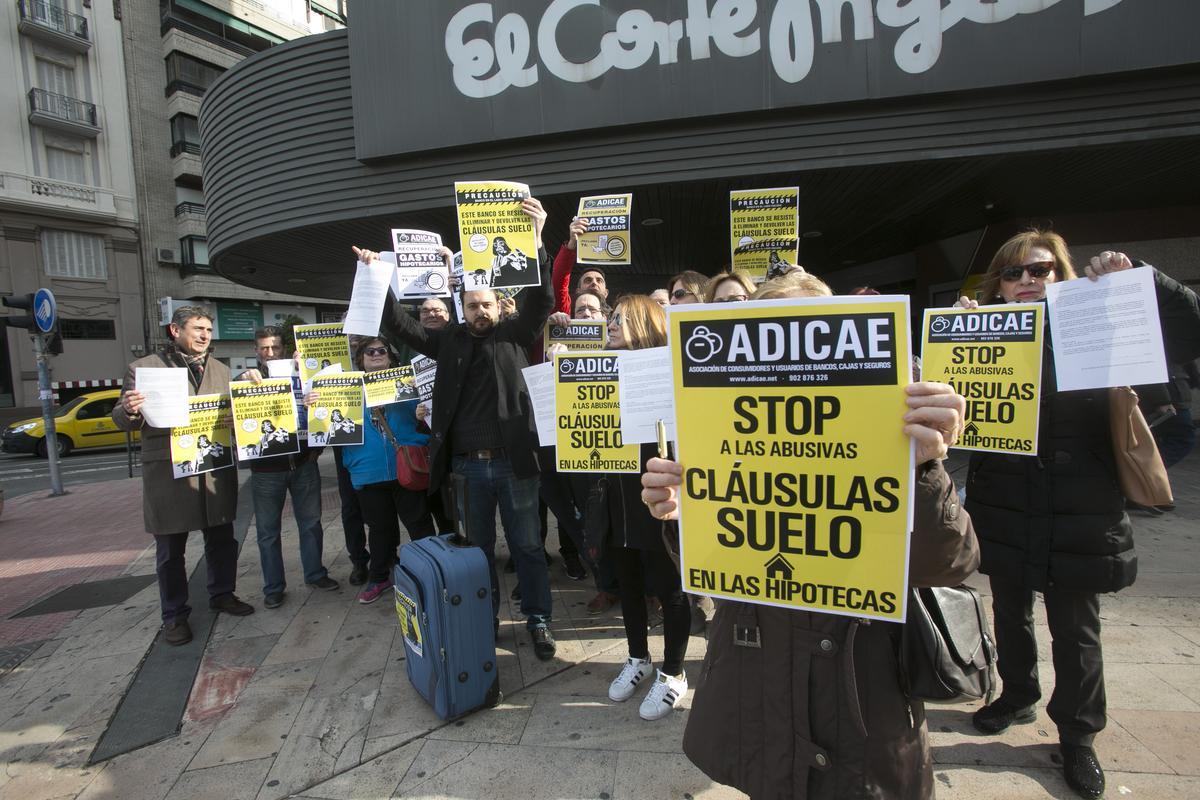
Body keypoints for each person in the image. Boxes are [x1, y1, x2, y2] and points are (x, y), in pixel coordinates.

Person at [639, 275, 979, 797]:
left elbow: (948, 564)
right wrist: (683, 516)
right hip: (760, 687)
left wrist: (928, 470)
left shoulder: (892, 430)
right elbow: (709, 570)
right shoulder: (717, 432)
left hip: (862, 697)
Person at [957, 231, 1200, 799]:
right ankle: (1017, 695)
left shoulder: (1102, 320)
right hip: (1005, 497)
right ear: (999, 284)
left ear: (1060, 275)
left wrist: (1138, 277)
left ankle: (1077, 736)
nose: (1026, 283)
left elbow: (1190, 329)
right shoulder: (978, 332)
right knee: (1009, 609)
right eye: (1013, 274)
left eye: (1039, 271)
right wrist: (960, 333)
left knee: (1076, 626)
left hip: (1080, 500)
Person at [353, 196, 560, 659]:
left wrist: (538, 239)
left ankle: (539, 619)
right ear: (460, 306)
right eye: (471, 305)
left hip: (515, 464)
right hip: (467, 470)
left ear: (498, 306)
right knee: (478, 552)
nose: (479, 311)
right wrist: (376, 275)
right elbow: (399, 324)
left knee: (528, 547)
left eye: (486, 304)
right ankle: (482, 619)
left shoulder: (515, 334)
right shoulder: (446, 341)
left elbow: (542, 299)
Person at [579, 295, 693, 721]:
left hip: (659, 497)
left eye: (620, 319)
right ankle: (637, 657)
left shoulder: (669, 374)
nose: (610, 325)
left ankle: (675, 673)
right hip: (616, 497)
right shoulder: (597, 371)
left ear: (646, 324)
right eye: (610, 318)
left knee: (669, 587)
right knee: (626, 582)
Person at [113, 306, 254, 646]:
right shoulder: (144, 368)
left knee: (222, 538)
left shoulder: (221, 370)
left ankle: (222, 593)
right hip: (169, 473)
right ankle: (174, 616)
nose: (205, 335)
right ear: (175, 330)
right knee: (170, 550)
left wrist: (248, 394)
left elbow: (234, 414)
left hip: (213, 469)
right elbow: (121, 417)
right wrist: (130, 410)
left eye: (208, 329)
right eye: (198, 328)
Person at [239, 326, 337, 610]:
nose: (270, 353)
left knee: (311, 523)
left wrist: (316, 449)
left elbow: (326, 408)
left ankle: (315, 574)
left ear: (284, 349)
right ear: (256, 352)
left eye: (275, 347)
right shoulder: (245, 381)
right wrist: (243, 382)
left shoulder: (302, 376)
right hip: (267, 470)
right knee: (268, 532)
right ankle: (273, 588)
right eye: (264, 348)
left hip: (304, 464)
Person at [333, 337, 437, 604]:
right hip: (368, 472)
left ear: (391, 357)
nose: (377, 354)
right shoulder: (344, 390)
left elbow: (427, 422)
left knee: (419, 524)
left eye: (383, 350)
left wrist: (421, 410)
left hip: (407, 468)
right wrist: (315, 404)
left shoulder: (408, 384)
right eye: (371, 351)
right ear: (361, 359)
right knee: (379, 529)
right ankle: (379, 577)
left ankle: (432, 574)